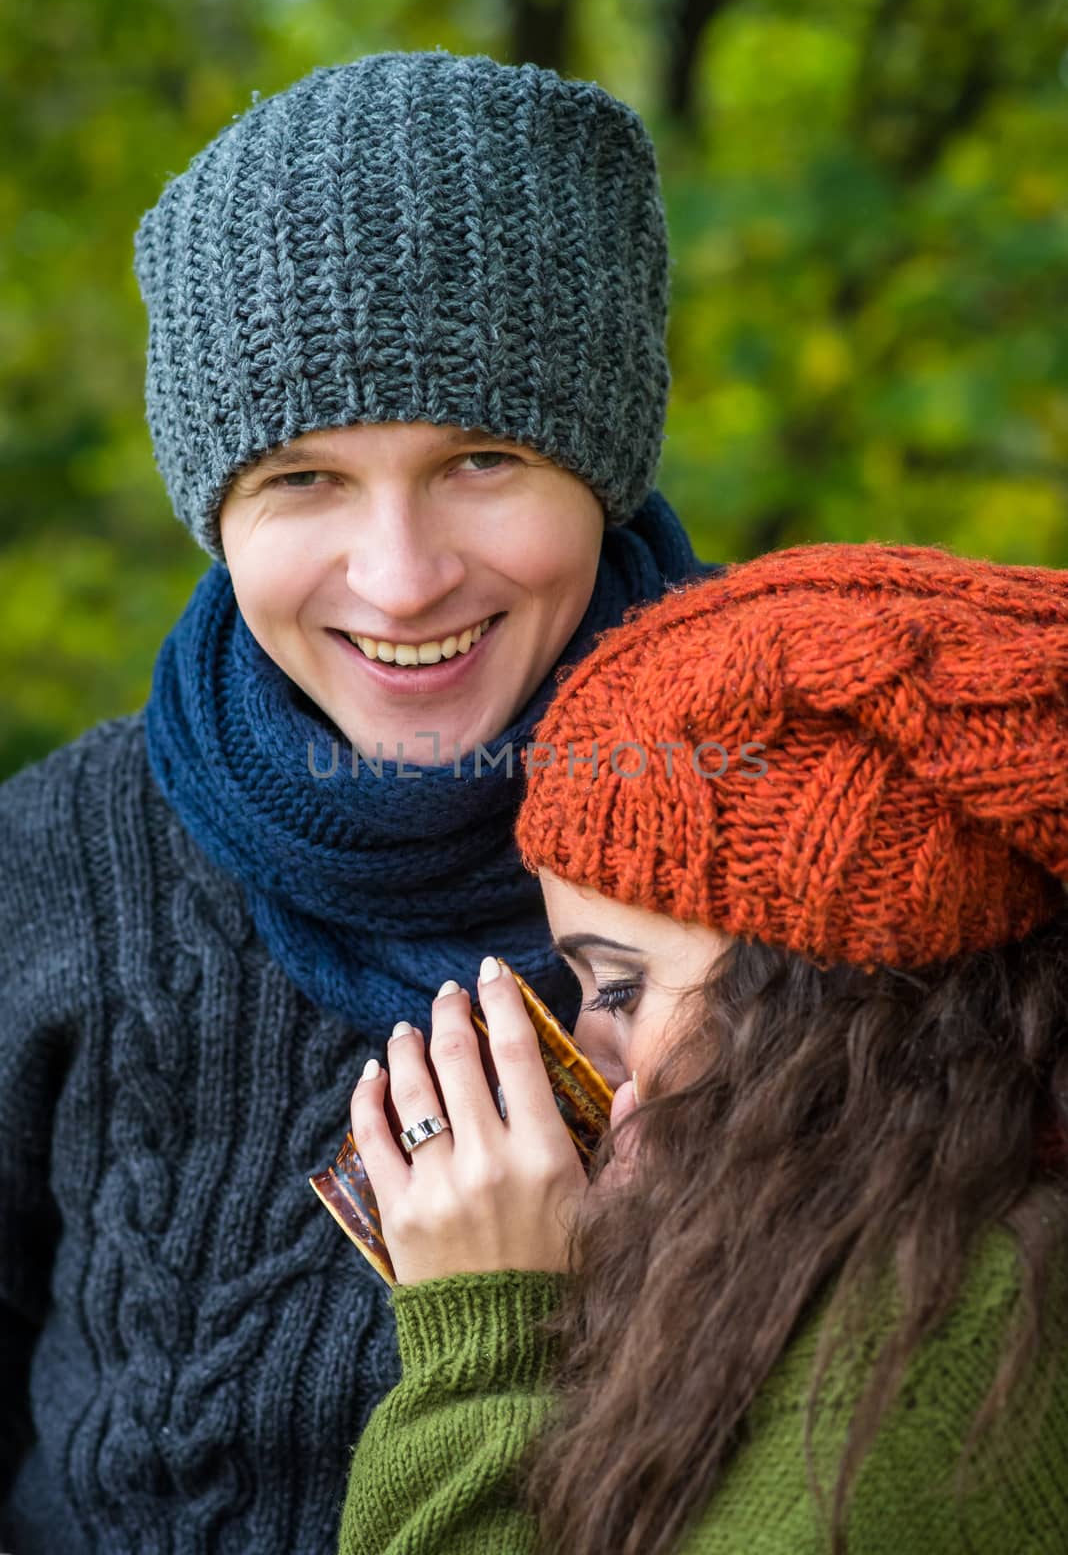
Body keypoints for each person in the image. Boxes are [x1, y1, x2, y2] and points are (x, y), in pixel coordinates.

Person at [0, 51, 710, 1552]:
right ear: (214, 510)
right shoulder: (62, 856)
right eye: (301, 482)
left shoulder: (796, 842)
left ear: (604, 465)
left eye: (482, 458)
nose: (399, 580)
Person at [339, 542, 1068, 1554]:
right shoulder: (834, 1260)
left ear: (831, 991)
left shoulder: (939, 1350)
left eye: (622, 986)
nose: (592, 1054)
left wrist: (486, 1337)